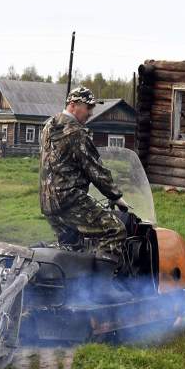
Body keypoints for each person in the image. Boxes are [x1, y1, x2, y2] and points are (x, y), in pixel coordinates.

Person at [39, 86, 130, 271]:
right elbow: (95, 169)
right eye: (87, 108)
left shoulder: (49, 126)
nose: (90, 113)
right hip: (70, 200)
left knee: (72, 247)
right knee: (115, 230)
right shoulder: (76, 132)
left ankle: (72, 290)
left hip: (48, 202)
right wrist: (116, 197)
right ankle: (102, 289)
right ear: (73, 105)